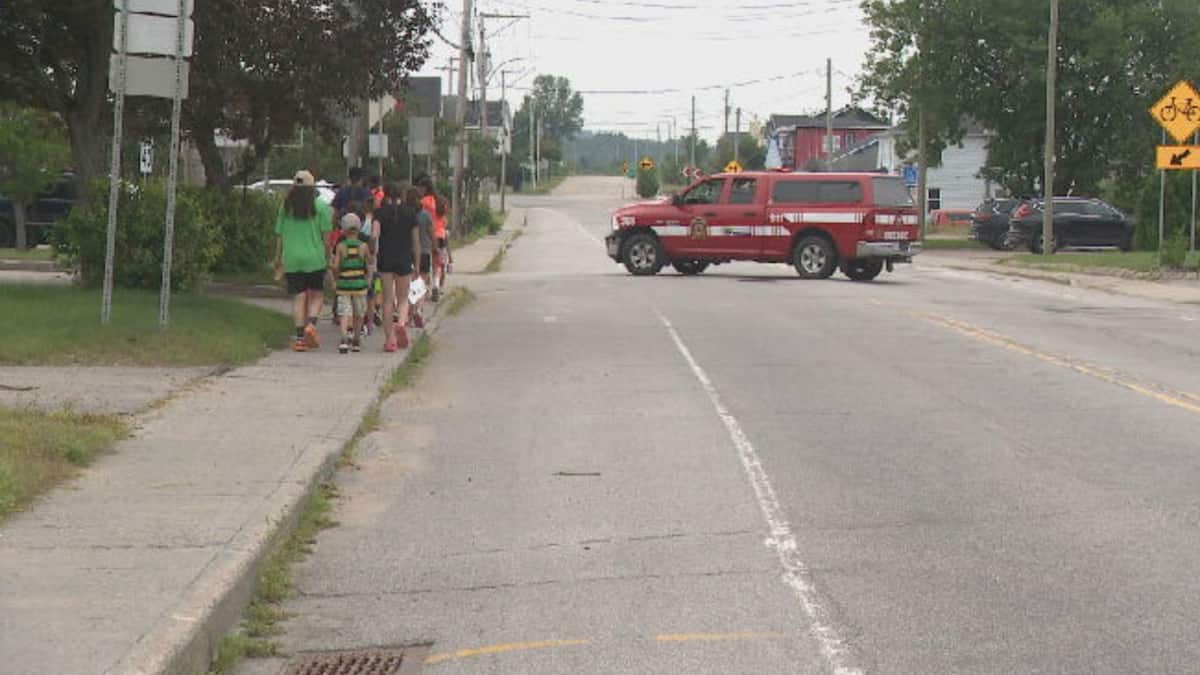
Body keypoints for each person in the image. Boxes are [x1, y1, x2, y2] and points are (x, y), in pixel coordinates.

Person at [274, 170, 333, 352]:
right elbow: (326, 238)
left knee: (299, 297)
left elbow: (280, 236)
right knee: (317, 294)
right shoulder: (321, 207)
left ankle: (300, 338)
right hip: (315, 258)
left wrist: (277, 258)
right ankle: (311, 324)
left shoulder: (285, 207)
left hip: (292, 258)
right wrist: (328, 256)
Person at [375, 182, 421, 352]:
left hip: (385, 260)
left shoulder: (380, 213)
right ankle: (401, 323)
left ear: (385, 195)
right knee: (403, 298)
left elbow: (374, 235)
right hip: (404, 259)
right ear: (401, 196)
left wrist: (372, 253)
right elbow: (416, 241)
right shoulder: (410, 213)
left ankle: (390, 341)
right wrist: (417, 264)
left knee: (387, 300)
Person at [331, 213, 373, 354]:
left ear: (343, 229)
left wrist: (335, 277)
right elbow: (369, 263)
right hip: (359, 285)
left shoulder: (340, 246)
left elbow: (336, 267)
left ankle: (344, 340)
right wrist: (368, 279)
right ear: (359, 228)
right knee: (359, 313)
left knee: (344, 312)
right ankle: (356, 340)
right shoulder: (363, 246)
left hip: (344, 284)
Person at [417, 175, 449, 301]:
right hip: (440, 235)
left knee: (426, 264)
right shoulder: (441, 201)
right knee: (437, 264)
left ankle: (425, 290)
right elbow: (445, 220)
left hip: (427, 236)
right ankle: (436, 285)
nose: (419, 190)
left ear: (425, 188)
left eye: (420, 188)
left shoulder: (423, 202)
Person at [410, 191, 434, 329]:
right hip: (424, 251)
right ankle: (418, 309)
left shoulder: (408, 215)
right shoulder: (425, 215)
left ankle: (410, 313)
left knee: (411, 284)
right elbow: (431, 233)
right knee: (421, 283)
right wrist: (435, 247)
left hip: (409, 252)